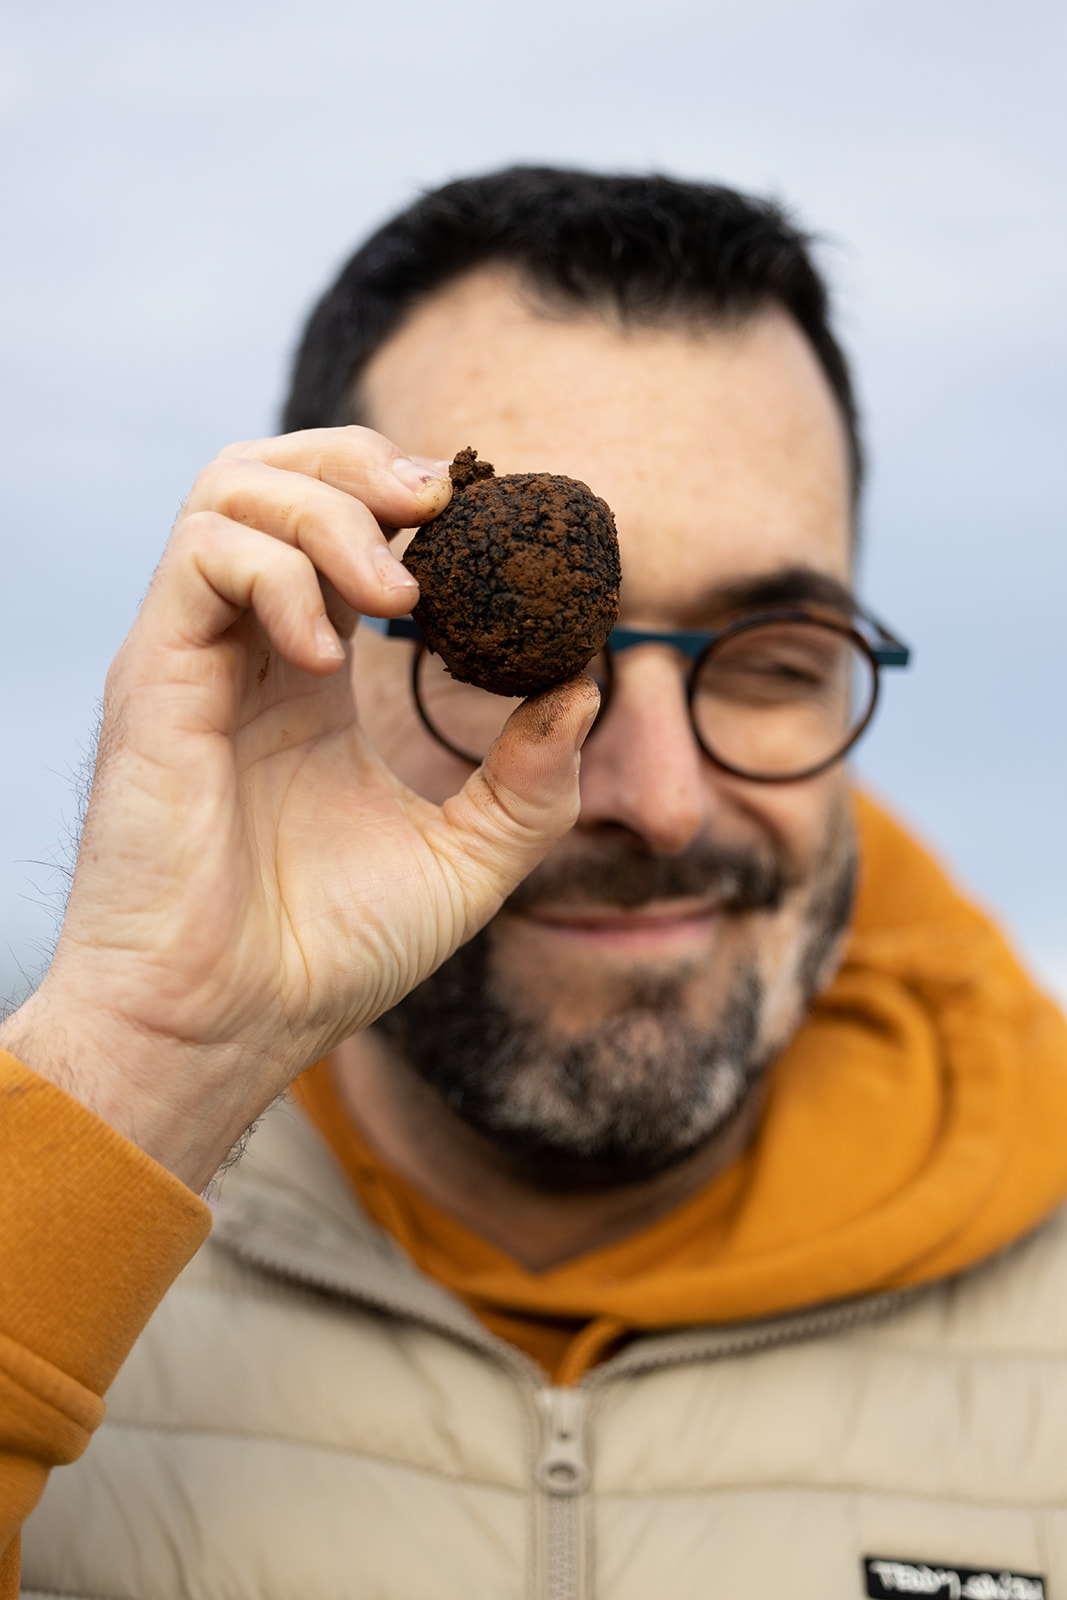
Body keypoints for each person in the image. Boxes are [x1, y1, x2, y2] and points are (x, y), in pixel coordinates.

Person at [3, 167, 1067, 1600]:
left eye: (773, 661)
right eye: (523, 664)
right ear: (309, 637)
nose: (655, 800)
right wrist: (142, 1062)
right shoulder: (56, 1236)